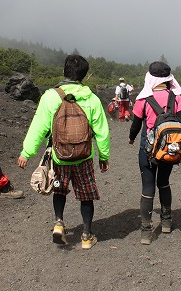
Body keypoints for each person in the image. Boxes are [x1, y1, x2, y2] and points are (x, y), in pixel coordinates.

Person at [18, 54, 110, 249]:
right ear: (84, 75)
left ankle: (59, 222)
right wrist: (104, 155)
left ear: (64, 71)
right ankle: (86, 235)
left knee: (59, 190)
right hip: (84, 157)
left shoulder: (50, 96)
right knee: (86, 195)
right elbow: (102, 131)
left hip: (59, 157)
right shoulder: (91, 99)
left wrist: (27, 153)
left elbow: (39, 126)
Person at [128, 61, 181, 245]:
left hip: (147, 151)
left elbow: (136, 125)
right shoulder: (176, 98)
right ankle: (166, 222)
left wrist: (131, 139)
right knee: (163, 183)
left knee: (148, 188)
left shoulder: (144, 99)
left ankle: (146, 232)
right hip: (169, 150)